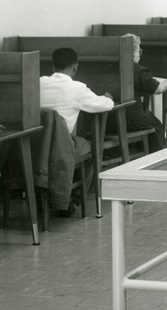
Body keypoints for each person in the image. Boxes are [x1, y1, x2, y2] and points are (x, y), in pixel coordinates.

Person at [39, 47, 114, 216]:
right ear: (75, 67)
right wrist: (108, 98)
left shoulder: (38, 82)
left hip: (36, 148)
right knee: (94, 148)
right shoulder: (77, 88)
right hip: (61, 147)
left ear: (53, 67)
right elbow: (105, 105)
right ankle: (73, 198)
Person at [106, 34, 167, 152]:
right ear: (133, 52)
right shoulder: (137, 69)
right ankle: (160, 160)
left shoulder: (108, 66)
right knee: (157, 125)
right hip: (130, 117)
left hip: (108, 120)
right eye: (139, 50)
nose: (139, 54)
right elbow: (158, 89)